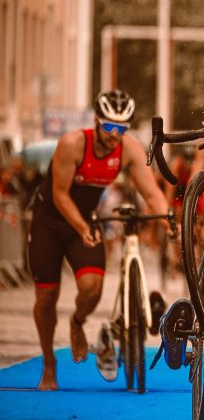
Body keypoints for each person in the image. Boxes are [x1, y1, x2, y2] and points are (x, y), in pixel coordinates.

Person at [28, 89, 171, 391]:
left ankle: (77, 321)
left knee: (92, 289)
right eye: (109, 126)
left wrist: (167, 219)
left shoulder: (129, 149)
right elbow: (60, 195)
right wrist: (81, 226)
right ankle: (49, 365)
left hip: (84, 221)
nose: (114, 134)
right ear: (96, 121)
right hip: (50, 223)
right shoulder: (73, 144)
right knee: (46, 297)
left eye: (121, 128)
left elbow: (151, 193)